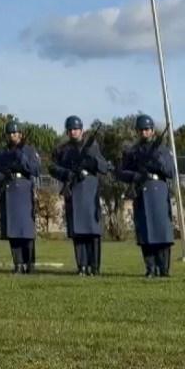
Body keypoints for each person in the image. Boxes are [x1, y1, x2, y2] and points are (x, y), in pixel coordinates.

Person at [49, 116, 111, 276]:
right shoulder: (63, 149)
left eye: (75, 129)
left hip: (89, 190)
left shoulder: (92, 146)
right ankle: (82, 265)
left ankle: (95, 267)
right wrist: (67, 173)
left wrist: (91, 162)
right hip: (74, 190)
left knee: (92, 231)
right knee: (78, 232)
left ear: (81, 130)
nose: (73, 132)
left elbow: (104, 166)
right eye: (70, 130)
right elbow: (52, 168)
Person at [116, 115, 176, 278]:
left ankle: (164, 268)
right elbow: (121, 172)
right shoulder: (132, 151)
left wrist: (157, 160)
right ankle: (150, 267)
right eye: (141, 130)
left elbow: (171, 172)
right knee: (145, 230)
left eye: (147, 129)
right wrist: (136, 176)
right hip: (141, 190)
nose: (144, 132)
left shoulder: (162, 149)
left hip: (159, 189)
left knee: (162, 230)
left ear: (152, 131)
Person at [0, 121, 41, 274]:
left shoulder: (29, 151)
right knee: (13, 230)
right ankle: (18, 263)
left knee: (26, 230)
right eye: (10, 133)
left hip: (24, 189)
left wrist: (22, 158)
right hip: (8, 190)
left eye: (15, 133)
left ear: (21, 134)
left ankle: (30, 264)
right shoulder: (1, 153)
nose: (13, 136)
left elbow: (36, 169)